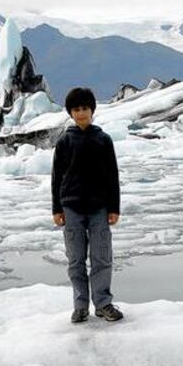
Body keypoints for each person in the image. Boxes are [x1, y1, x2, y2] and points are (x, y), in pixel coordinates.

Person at [52, 87, 124, 323]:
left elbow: (112, 175)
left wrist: (114, 208)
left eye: (85, 108)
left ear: (92, 110)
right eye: (76, 109)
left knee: (101, 257)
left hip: (99, 207)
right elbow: (57, 177)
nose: (81, 113)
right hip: (71, 206)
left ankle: (103, 304)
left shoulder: (103, 139)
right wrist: (57, 208)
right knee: (76, 259)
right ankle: (80, 305)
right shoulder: (64, 141)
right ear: (70, 112)